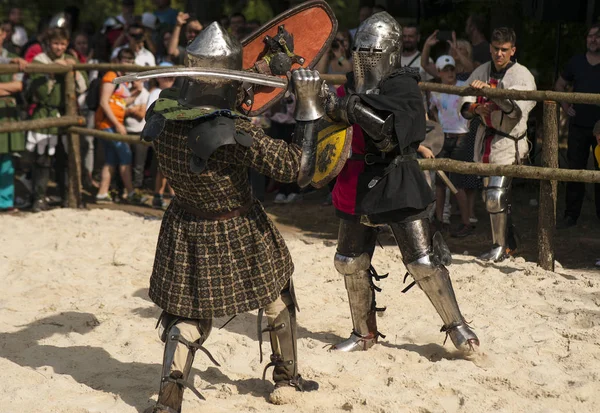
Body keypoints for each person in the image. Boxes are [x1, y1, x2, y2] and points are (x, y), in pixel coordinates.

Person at [137, 22, 318, 412]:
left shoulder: (162, 111)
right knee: (277, 296)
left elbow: (214, 97)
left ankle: (169, 401)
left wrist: (264, 71)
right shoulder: (232, 131)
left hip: (184, 224)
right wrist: (307, 105)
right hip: (238, 228)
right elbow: (296, 168)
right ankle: (287, 379)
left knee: (185, 317)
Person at [321, 11, 479, 353]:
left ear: (390, 53)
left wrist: (355, 107)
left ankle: (457, 325)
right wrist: (321, 100)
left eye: (373, 53)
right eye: (361, 52)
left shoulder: (402, 84)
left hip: (396, 179)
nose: (366, 60)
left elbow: (398, 134)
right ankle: (363, 333)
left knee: (422, 262)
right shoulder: (349, 85)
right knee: (349, 261)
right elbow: (325, 127)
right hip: (357, 180)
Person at [459, 27, 536, 262]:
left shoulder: (522, 76)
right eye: (495, 49)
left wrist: (492, 93)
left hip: (507, 141)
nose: (499, 54)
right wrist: (476, 108)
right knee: (491, 198)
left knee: (496, 196)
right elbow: (466, 99)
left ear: (513, 50)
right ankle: (509, 244)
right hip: (486, 140)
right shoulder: (481, 70)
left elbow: (516, 111)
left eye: (504, 50)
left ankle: (500, 247)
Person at [26, 27, 87, 212]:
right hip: (45, 113)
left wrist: (72, 71)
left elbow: (83, 85)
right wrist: (54, 72)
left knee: (65, 157)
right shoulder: (40, 61)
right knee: (43, 159)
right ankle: (38, 198)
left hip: (65, 113)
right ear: (48, 43)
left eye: (62, 43)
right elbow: (40, 91)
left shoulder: (71, 59)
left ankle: (67, 196)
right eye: (55, 43)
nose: (59, 47)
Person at [555, 23, 600, 228]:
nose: (593, 40)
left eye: (597, 36)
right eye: (590, 36)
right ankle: (571, 215)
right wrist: (565, 107)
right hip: (578, 126)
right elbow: (559, 85)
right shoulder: (576, 62)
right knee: (575, 171)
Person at [429, 55, 473, 237]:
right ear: (439, 72)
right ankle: (440, 220)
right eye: (445, 70)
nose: (449, 73)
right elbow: (432, 109)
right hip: (443, 135)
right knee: (440, 182)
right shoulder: (435, 91)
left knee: (457, 183)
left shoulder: (463, 87)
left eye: (451, 69)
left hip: (460, 137)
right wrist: (435, 125)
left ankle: (466, 222)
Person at [94, 48, 144, 204]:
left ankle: (102, 193)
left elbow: (120, 103)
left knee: (111, 159)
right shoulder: (111, 76)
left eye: (131, 61)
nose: (128, 63)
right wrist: (117, 125)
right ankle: (130, 193)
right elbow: (104, 101)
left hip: (113, 123)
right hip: (108, 124)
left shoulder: (123, 79)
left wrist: (137, 91)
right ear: (118, 60)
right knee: (125, 155)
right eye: (125, 60)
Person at [0, 24, 26, 212]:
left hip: (6, 111)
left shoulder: (13, 59)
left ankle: (5, 201)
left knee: (6, 158)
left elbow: (19, 86)